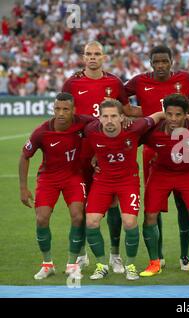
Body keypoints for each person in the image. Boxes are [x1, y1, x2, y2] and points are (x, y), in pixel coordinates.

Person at [124, 45, 189, 271]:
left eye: (164, 61)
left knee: (184, 204)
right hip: (153, 148)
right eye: (156, 61)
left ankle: (185, 256)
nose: (160, 65)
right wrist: (133, 114)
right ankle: (156, 256)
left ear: (171, 61)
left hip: (183, 143)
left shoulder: (185, 79)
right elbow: (118, 95)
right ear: (150, 62)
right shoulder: (139, 81)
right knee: (153, 206)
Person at [62, 41, 131, 273]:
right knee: (79, 206)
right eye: (89, 54)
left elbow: (126, 112)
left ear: (104, 57)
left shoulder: (114, 82)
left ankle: (115, 254)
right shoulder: (72, 83)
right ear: (83, 57)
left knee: (112, 204)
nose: (92, 57)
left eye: (97, 54)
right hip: (80, 153)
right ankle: (81, 254)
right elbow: (64, 114)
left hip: (108, 152)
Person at [83, 99, 164, 280]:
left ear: (122, 117)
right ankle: (101, 265)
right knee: (91, 222)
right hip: (102, 181)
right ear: (99, 118)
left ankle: (131, 265)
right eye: (105, 116)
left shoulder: (135, 127)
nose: (109, 120)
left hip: (128, 182)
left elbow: (159, 115)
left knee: (129, 222)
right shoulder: (90, 130)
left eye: (114, 116)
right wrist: (94, 156)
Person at [19, 92, 95, 280]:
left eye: (65, 109)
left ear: (73, 110)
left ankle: (72, 264)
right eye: (57, 109)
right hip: (48, 179)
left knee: (78, 216)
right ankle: (47, 265)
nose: (60, 113)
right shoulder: (42, 132)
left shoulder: (84, 122)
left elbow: (104, 127)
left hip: (74, 177)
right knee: (42, 218)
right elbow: (25, 156)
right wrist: (23, 187)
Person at [139, 94, 189, 278]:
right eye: (169, 114)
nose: (173, 119)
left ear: (186, 115)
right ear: (164, 114)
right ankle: (154, 263)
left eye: (178, 115)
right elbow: (128, 140)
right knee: (150, 214)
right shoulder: (153, 131)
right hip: (161, 175)